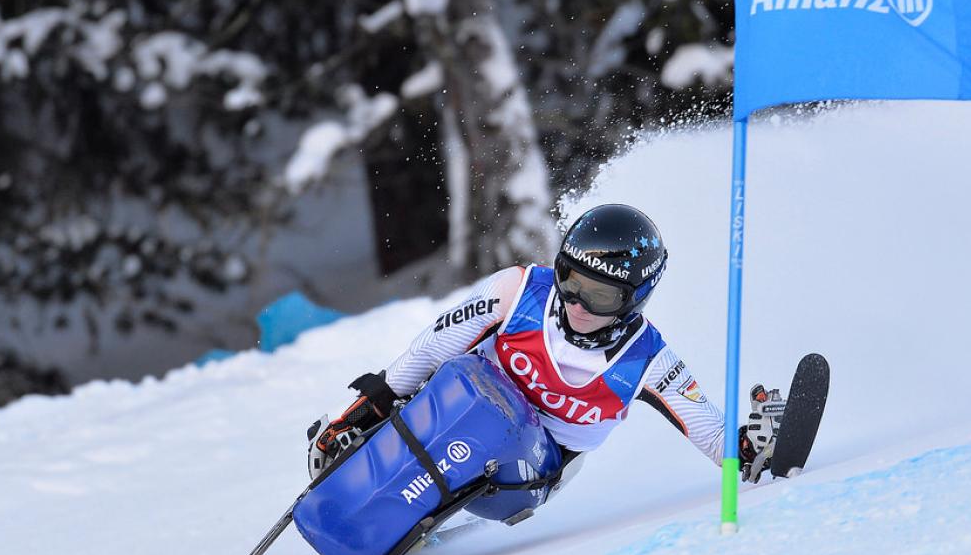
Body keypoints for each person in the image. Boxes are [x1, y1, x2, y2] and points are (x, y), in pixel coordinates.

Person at [306, 203, 782, 492]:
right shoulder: (516, 292)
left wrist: (751, 450)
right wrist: (362, 412)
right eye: (572, 282)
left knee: (494, 424)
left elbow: (713, 436)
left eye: (600, 296)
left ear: (634, 300)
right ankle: (360, 459)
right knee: (458, 385)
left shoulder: (648, 360)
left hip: (536, 467)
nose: (576, 304)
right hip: (461, 410)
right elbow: (429, 351)